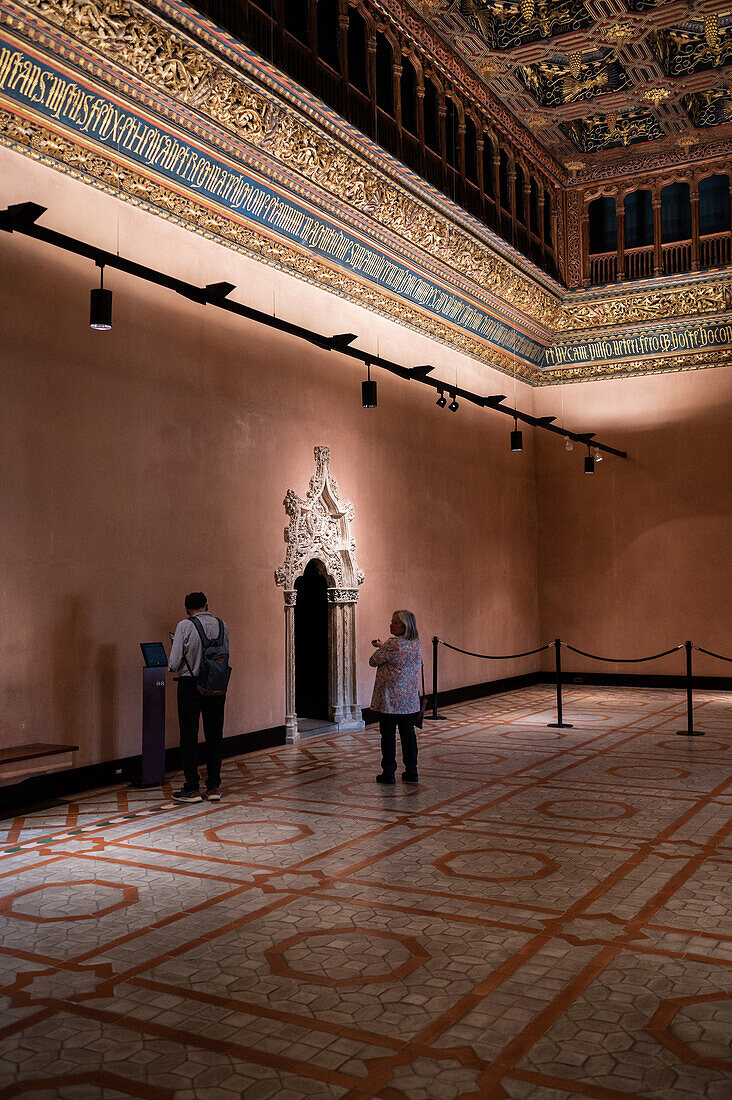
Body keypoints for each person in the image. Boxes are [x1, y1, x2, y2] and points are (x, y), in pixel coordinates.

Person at [169, 592, 230, 803]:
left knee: (189, 736)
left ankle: (192, 788)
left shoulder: (184, 626)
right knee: (214, 735)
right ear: (207, 605)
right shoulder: (223, 625)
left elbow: (174, 663)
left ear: (187, 609)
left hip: (190, 686)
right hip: (216, 686)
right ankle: (214, 787)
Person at [369, 610, 422, 785]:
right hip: (409, 700)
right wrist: (383, 646)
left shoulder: (393, 643)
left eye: (396, 622)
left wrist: (381, 647)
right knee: (408, 735)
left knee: (388, 736)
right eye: (391, 621)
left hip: (390, 699)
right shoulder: (416, 643)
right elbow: (396, 656)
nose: (391, 624)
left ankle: (388, 772)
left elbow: (374, 660)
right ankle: (412, 771)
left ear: (405, 626)